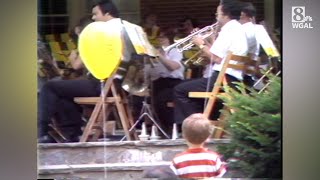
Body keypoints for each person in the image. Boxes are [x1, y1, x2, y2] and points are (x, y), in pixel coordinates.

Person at [38, 0, 129, 143]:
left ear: (107, 13)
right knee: (61, 93)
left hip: (101, 84)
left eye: (95, 14)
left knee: (50, 87)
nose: (93, 18)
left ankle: (40, 131)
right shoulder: (122, 29)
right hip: (112, 84)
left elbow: (77, 65)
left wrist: (82, 39)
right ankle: (72, 133)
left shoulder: (106, 32)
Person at [173, 0, 248, 126]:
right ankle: (202, 122)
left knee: (179, 90)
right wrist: (207, 42)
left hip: (221, 80)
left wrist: (200, 44)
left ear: (225, 14)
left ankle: (194, 127)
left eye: (218, 12)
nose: (216, 15)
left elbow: (216, 59)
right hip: (232, 80)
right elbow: (219, 56)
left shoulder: (227, 30)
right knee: (186, 85)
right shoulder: (237, 29)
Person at [145, 29, 185, 135]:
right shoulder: (157, 51)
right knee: (143, 99)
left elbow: (173, 67)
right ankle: (157, 127)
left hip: (173, 83)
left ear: (169, 39)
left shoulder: (175, 51)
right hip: (158, 82)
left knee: (161, 99)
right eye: (159, 37)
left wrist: (160, 56)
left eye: (163, 37)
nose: (160, 40)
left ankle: (170, 127)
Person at [170, 113, 227, 178]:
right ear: (208, 137)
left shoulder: (178, 160)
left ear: (184, 136)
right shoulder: (214, 158)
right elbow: (220, 175)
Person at [239, 2, 260, 87]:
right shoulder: (254, 29)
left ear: (242, 14)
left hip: (238, 78)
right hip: (247, 75)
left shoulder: (242, 30)